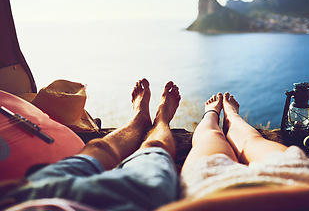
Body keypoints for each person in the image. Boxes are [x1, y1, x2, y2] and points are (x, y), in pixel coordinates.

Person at [158, 92, 309, 211]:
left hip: (211, 190)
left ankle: (212, 113)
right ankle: (232, 117)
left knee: (211, 136)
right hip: (296, 181)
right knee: (250, 140)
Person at [2, 78, 181, 211]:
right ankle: (161, 120)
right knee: (155, 148)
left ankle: (139, 119)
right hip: (115, 204)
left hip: (31, 194)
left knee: (97, 148)